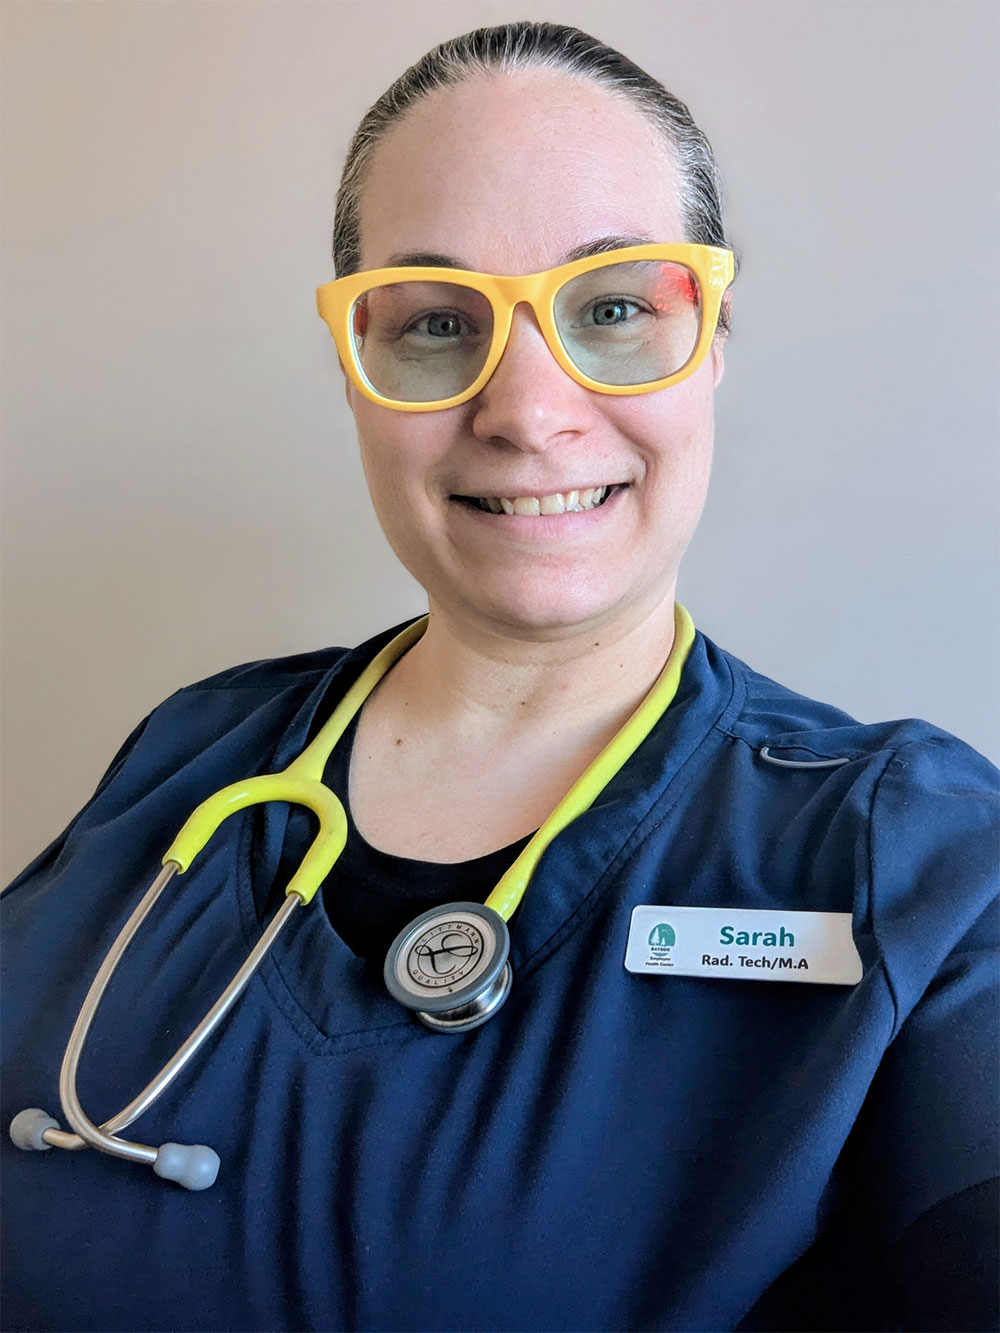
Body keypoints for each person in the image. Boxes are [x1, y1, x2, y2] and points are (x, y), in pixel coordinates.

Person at [2, 20, 997, 1333]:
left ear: (712, 339)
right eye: (432, 322)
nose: (528, 407)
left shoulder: (915, 858)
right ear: (357, 375)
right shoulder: (193, 753)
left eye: (614, 309)